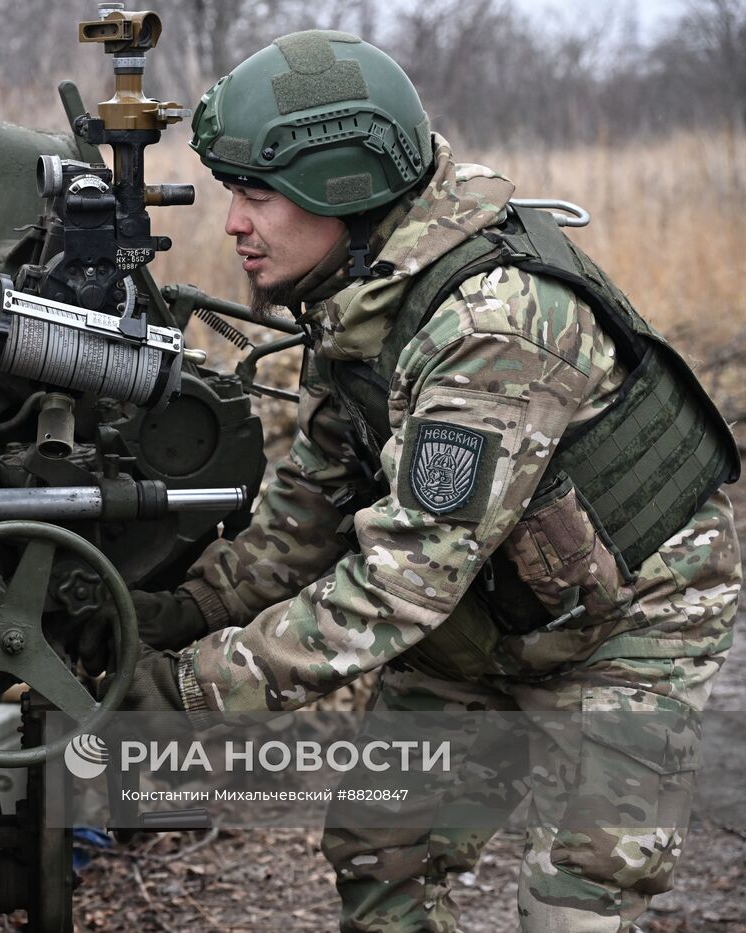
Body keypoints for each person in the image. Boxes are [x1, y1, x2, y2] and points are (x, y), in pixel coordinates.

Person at [86, 29, 742, 932]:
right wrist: (143, 621)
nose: (232, 223)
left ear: (340, 188)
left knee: (577, 900)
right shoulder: (359, 301)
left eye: (255, 194)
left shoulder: (492, 324)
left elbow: (394, 589)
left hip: (627, 621)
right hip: (481, 598)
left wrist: (179, 692)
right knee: (379, 845)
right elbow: (295, 535)